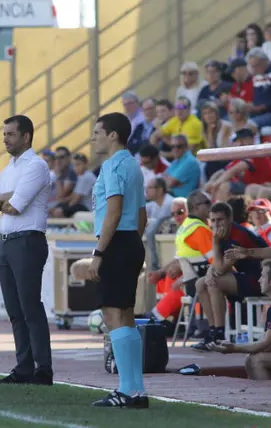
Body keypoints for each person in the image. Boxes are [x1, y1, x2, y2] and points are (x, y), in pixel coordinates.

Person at [0, 115, 53, 386]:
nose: (5, 139)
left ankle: (43, 369)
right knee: (14, 309)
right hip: (6, 241)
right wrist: (5, 197)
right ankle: (24, 367)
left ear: (26, 136)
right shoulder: (7, 169)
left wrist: (1, 198)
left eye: (11, 134)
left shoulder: (36, 166)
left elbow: (15, 207)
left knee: (30, 306)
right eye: (4, 134)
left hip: (27, 240)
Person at [85, 112, 148, 408]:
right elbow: (142, 214)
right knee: (126, 315)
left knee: (113, 315)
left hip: (117, 242)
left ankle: (126, 389)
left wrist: (100, 253)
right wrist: (132, 242)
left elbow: (113, 211)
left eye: (98, 131)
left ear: (113, 135)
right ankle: (136, 390)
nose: (93, 136)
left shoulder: (112, 165)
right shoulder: (134, 164)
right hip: (131, 241)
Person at [192, 202, 269, 351]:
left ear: (229, 219)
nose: (216, 224)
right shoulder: (223, 234)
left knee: (215, 282)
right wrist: (209, 272)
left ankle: (219, 334)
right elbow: (217, 265)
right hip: (246, 276)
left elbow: (221, 269)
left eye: (220, 220)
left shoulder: (238, 235)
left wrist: (214, 242)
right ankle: (212, 331)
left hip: (262, 279)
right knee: (200, 284)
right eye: (212, 220)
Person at [208, 259, 271, 380]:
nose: (259, 280)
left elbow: (267, 345)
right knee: (252, 357)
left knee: (255, 361)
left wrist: (233, 348)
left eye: (262, 276)